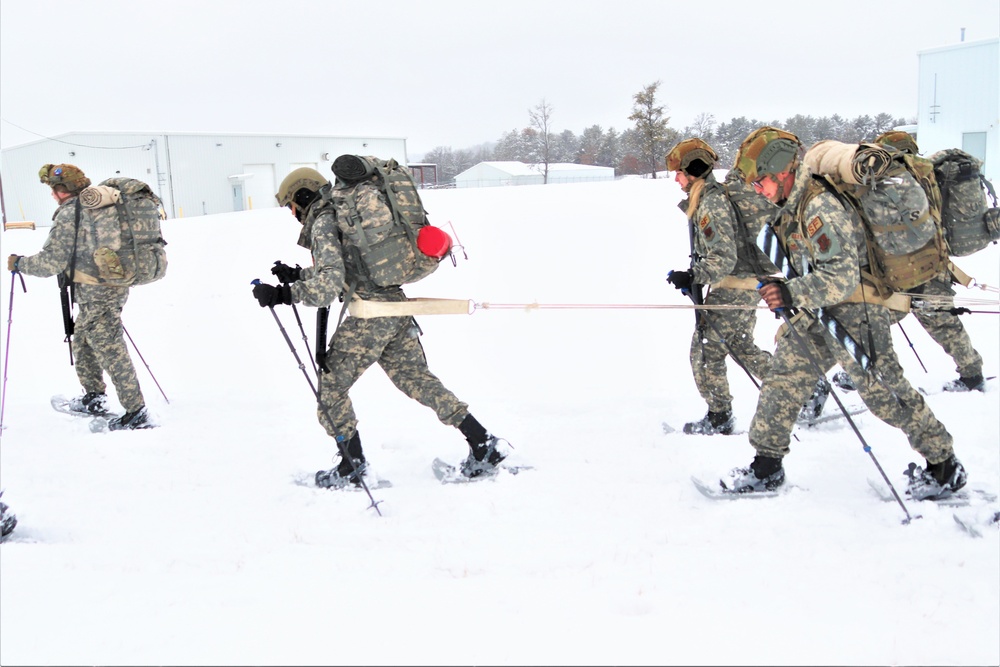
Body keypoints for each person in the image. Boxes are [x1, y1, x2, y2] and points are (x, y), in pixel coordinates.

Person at [720, 127, 966, 500]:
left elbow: (840, 277)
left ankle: (944, 465)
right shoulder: (795, 202)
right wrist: (789, 288)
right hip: (819, 308)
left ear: (783, 171)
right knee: (783, 380)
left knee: (887, 394)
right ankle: (766, 466)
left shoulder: (819, 206)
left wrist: (791, 291)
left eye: (762, 182)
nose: (759, 190)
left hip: (855, 312)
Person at [252, 166, 509, 487]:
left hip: (370, 317)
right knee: (418, 381)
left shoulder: (323, 224)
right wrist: (298, 275)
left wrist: (282, 294)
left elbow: (329, 285)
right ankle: (484, 444)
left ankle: (352, 467)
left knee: (330, 393)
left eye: (291, 205)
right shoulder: (345, 217)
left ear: (303, 197)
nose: (292, 213)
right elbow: (347, 268)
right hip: (395, 309)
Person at [7, 164, 152, 430]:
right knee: (83, 340)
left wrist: (20, 264)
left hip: (100, 291)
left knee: (110, 349)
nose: (52, 194)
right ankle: (94, 396)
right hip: (102, 288)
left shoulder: (72, 213)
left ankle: (136, 411)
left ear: (61, 191)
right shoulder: (91, 208)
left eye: (53, 189)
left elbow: (51, 262)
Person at [664, 138, 772, 435]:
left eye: (679, 172)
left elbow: (723, 258)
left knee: (705, 348)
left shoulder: (711, 202)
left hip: (735, 284)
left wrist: (694, 275)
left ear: (694, 169)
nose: (675, 178)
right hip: (741, 283)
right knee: (741, 347)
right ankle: (802, 386)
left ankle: (719, 415)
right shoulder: (704, 198)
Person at [871, 130, 986, 393]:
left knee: (872, 320)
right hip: (927, 268)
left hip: (912, 270)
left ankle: (861, 369)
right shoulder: (927, 176)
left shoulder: (899, 183)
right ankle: (972, 375)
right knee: (943, 324)